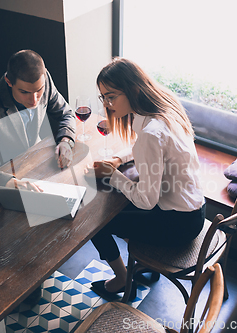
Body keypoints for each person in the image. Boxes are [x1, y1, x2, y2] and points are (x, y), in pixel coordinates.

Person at [86, 57, 206, 300]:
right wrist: (119, 159)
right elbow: (152, 148)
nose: (107, 105)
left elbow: (146, 201)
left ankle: (122, 279)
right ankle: (143, 265)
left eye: (111, 97)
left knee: (95, 223)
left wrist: (113, 175)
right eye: (103, 97)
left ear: (133, 90)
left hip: (178, 225)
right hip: (196, 211)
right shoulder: (165, 109)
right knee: (116, 205)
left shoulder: (150, 133)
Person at [0, 50, 76, 190]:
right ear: (8, 81)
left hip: (34, 162)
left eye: (39, 90)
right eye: (24, 92)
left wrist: (65, 142)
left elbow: (66, 114)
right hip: (4, 174)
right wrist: (12, 184)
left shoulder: (45, 79)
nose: (34, 100)